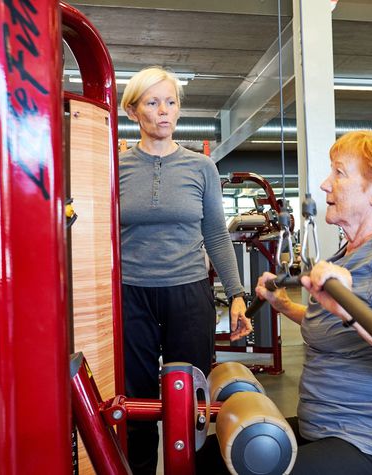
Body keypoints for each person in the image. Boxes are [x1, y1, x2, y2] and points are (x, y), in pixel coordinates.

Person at [197, 130, 372, 475]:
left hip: (370, 447)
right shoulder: (348, 252)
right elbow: (334, 325)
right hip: (321, 430)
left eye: (339, 173)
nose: (324, 184)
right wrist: (284, 305)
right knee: (209, 461)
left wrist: (350, 310)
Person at [118, 66, 252, 475]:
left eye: (171, 102)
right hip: (130, 293)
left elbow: (215, 234)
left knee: (191, 401)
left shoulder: (201, 168)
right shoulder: (115, 166)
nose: (164, 112)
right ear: (133, 110)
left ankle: (187, 469)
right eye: (153, 102)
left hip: (189, 292)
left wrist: (237, 295)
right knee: (135, 401)